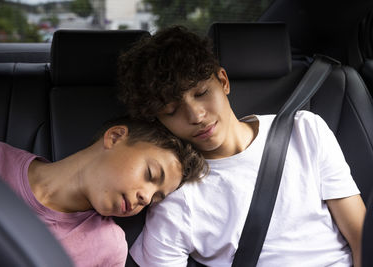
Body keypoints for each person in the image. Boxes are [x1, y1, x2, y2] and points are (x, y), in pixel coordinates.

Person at [117, 26, 367, 267]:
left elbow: (360, 236)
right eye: (171, 111)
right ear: (159, 121)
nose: (196, 115)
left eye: (202, 93)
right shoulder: (176, 198)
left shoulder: (305, 131)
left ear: (223, 81)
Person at [0, 116, 207, 267]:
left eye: (155, 198)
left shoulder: (108, 246)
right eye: (150, 174)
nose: (146, 197)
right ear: (115, 137)